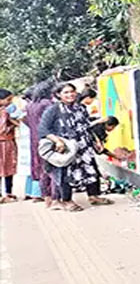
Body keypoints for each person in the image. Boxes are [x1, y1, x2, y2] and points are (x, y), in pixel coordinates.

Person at [38, 82, 100, 211]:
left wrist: (96, 140)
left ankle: (94, 196)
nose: (70, 94)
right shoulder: (53, 110)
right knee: (67, 174)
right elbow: (43, 129)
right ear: (58, 95)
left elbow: (87, 126)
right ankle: (67, 200)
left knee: (90, 169)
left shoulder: (81, 108)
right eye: (66, 92)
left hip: (83, 146)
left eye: (72, 91)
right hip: (66, 148)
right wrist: (58, 141)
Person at [24, 79, 56, 207]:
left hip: (34, 140)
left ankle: (45, 196)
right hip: (48, 138)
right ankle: (54, 197)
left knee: (41, 168)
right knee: (52, 168)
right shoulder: (47, 104)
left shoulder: (30, 105)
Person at [0, 88, 21, 203]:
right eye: (8, 100)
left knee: (9, 168)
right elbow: (3, 129)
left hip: (8, 142)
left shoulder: (7, 110)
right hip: (4, 142)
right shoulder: (4, 112)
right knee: (7, 168)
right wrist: (12, 124)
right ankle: (6, 193)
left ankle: (8, 193)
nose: (10, 102)